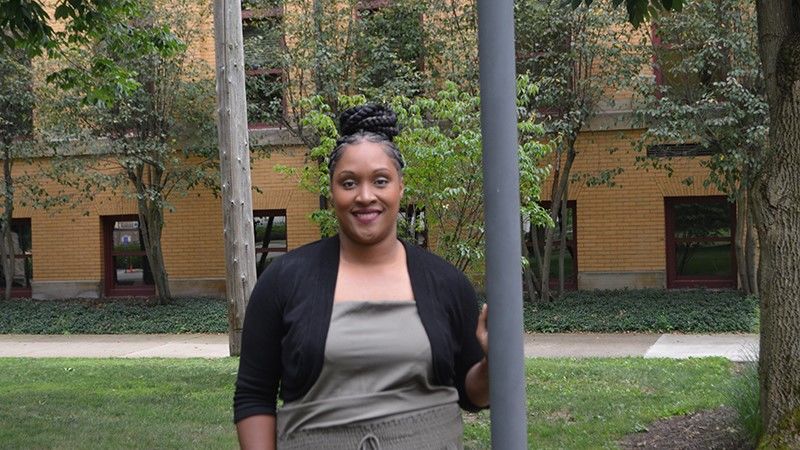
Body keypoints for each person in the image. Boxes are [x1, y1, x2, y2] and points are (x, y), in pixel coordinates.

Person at [234, 104, 490, 450]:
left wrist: (494, 361)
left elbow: (473, 395)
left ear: (400, 187)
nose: (365, 196)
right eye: (349, 182)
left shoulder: (446, 284)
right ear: (332, 190)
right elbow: (254, 394)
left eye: (380, 181)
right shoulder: (283, 282)